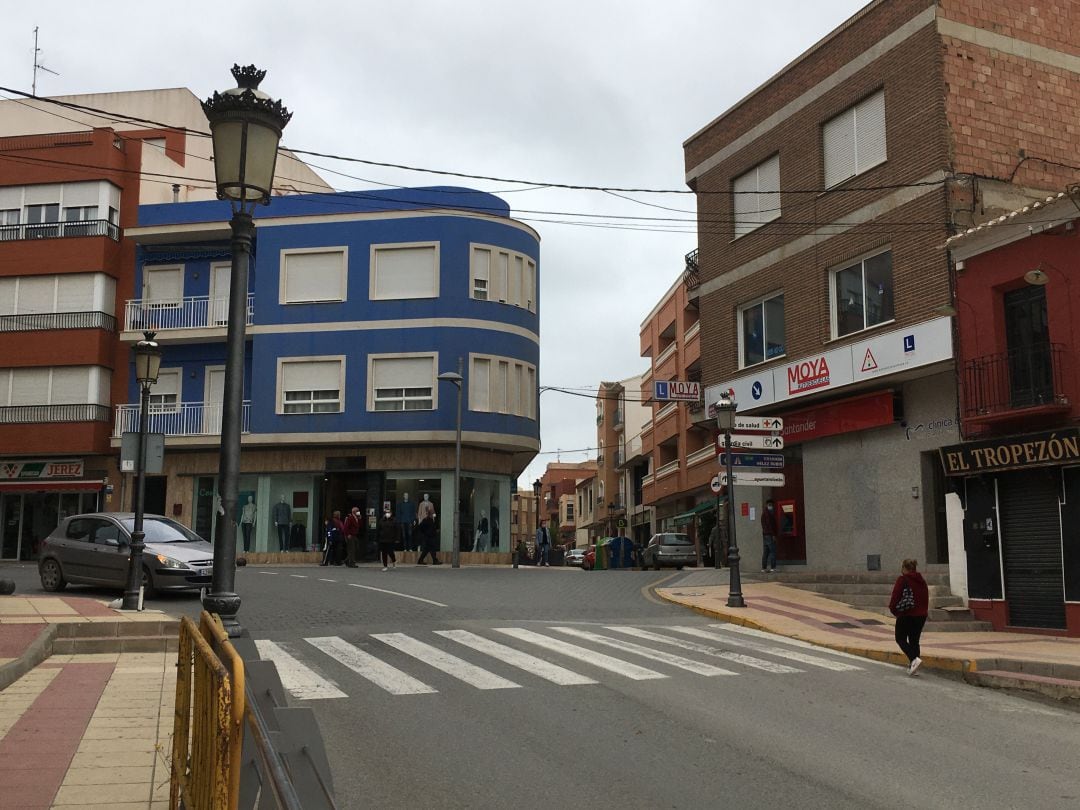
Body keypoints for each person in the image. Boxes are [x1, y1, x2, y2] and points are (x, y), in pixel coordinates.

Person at [889, 558, 930, 676]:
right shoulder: (921, 580)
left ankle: (914, 659)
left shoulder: (902, 579)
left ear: (904, 568)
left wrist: (894, 610)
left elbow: (895, 596)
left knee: (900, 638)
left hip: (906, 614)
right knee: (914, 641)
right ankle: (914, 666)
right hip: (921, 615)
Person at [760, 499, 777, 573]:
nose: (771, 506)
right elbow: (770, 525)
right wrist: (773, 534)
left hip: (765, 534)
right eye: (770, 505)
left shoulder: (764, 513)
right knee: (772, 551)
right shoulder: (768, 514)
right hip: (769, 534)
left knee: (766, 551)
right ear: (767, 505)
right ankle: (773, 567)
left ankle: (764, 568)